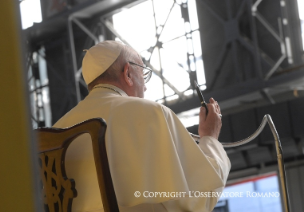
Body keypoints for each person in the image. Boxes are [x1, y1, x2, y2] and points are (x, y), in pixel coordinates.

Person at [53, 40, 231, 212]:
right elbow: (197, 199)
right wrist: (210, 137)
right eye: (143, 73)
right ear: (128, 74)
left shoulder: (56, 130)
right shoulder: (152, 113)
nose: (145, 87)